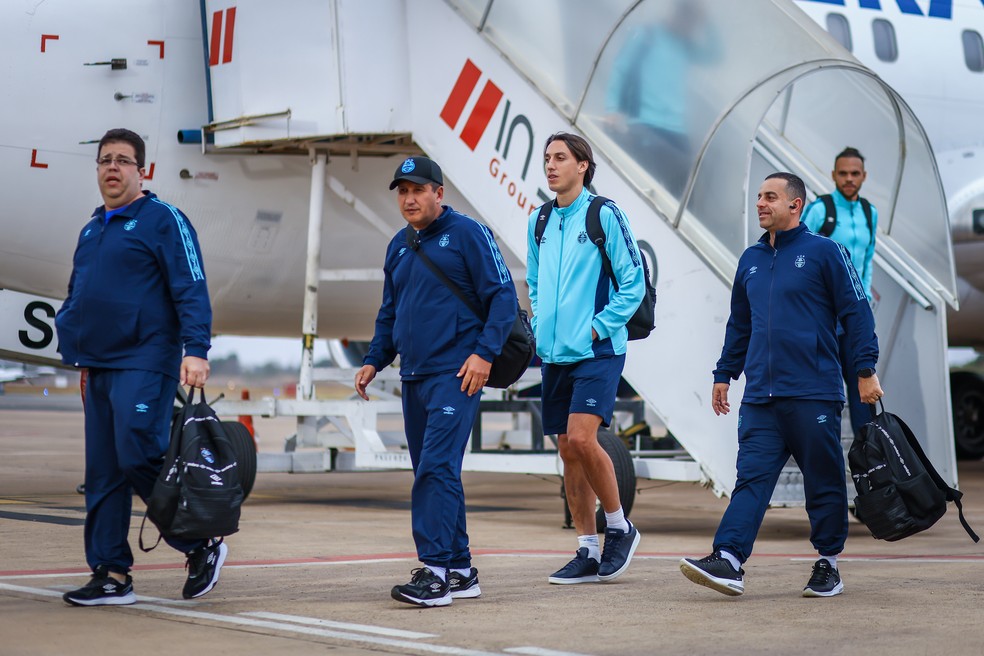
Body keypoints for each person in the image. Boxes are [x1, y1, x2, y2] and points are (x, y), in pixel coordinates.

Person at [680, 172, 884, 598]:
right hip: (761, 397)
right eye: (758, 196)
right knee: (750, 480)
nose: (760, 203)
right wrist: (724, 373)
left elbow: (857, 312)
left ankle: (828, 564)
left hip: (814, 391)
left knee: (823, 480)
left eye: (770, 197)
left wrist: (864, 369)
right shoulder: (750, 260)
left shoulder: (825, 252)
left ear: (795, 205)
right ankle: (729, 560)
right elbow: (740, 323)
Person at [55, 128, 223, 606]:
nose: (112, 167)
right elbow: (78, 289)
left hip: (146, 358)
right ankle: (111, 573)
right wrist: (70, 329)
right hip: (97, 364)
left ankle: (199, 544)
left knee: (138, 454)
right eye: (105, 159)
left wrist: (197, 348)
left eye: (123, 160)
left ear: (141, 170)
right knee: (103, 472)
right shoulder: (91, 229)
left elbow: (191, 283)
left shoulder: (163, 220)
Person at [355, 155, 518, 608]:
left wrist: (484, 354)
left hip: (457, 374)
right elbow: (391, 312)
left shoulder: (468, 233)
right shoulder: (398, 245)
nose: (409, 199)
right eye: (402, 191)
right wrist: (374, 359)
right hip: (413, 376)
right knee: (435, 472)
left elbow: (503, 298)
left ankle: (434, 573)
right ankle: (462, 570)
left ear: (438, 194)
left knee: (436, 469)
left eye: (418, 190)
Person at [527, 133, 645, 585]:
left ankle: (620, 526)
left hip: (598, 348)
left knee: (581, 439)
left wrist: (598, 326)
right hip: (554, 353)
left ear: (583, 166)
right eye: (547, 159)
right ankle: (587, 549)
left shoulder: (603, 214)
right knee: (566, 449)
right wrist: (540, 326)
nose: (551, 166)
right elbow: (535, 281)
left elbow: (632, 282)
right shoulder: (539, 219)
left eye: (560, 158)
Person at [802, 147, 879, 436]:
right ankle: (823, 453)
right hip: (824, 315)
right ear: (833, 175)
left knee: (864, 388)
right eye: (843, 173)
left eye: (854, 174)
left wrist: (866, 301)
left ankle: (870, 461)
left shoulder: (870, 212)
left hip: (855, 315)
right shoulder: (821, 209)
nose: (849, 179)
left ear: (864, 176)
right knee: (824, 391)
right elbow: (800, 252)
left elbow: (867, 260)